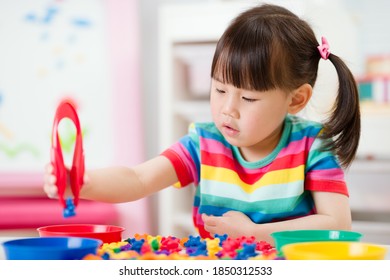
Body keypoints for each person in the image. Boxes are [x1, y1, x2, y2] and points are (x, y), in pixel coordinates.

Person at [44, 4, 360, 245]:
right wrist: (82, 182)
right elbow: (139, 179)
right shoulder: (204, 143)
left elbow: (336, 223)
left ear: (295, 100)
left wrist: (255, 233)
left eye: (248, 98)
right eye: (220, 90)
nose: (228, 109)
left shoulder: (311, 145)